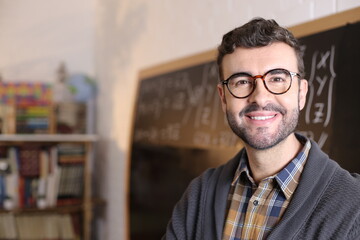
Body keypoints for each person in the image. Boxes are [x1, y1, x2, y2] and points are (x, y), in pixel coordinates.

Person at [162, 18, 360, 240]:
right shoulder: (199, 195)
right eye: (242, 82)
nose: (260, 97)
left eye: (277, 78)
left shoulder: (353, 208)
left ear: (301, 94)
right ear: (223, 98)